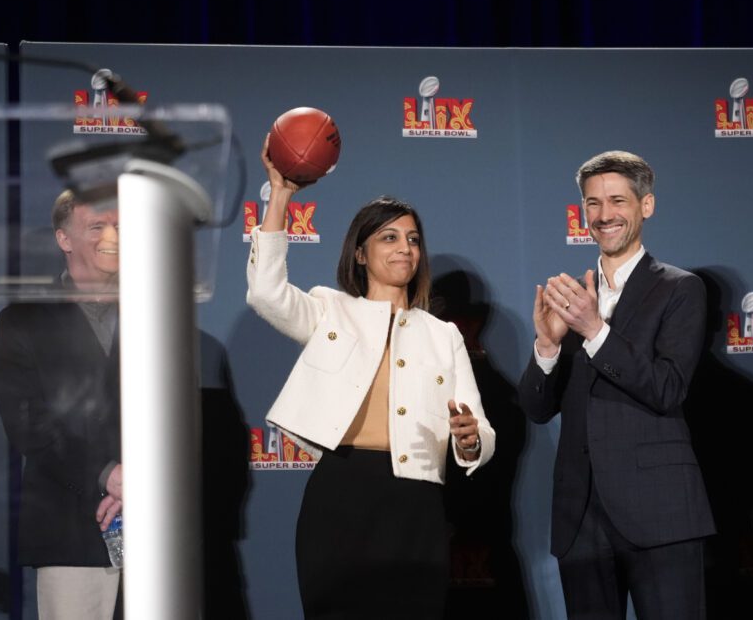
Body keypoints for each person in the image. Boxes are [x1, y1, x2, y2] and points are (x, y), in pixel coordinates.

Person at [246, 136, 495, 618]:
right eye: (389, 237)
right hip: (340, 496)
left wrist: (470, 442)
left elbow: (480, 430)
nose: (405, 248)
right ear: (359, 254)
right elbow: (266, 292)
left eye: (413, 239)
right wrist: (280, 195)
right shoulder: (330, 309)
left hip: (417, 503)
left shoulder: (443, 335)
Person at [517, 150, 714, 619]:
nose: (604, 215)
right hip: (580, 515)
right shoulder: (571, 297)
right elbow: (538, 409)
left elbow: (667, 388)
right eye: (592, 203)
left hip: (660, 512)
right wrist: (546, 345)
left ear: (646, 206)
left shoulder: (680, 289)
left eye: (617, 201)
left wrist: (595, 330)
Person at [0, 189, 123, 619]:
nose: (113, 237)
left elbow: (185, 414)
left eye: (120, 226)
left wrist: (147, 481)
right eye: (97, 226)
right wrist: (110, 476)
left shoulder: (159, 311)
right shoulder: (23, 320)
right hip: (73, 532)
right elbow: (30, 425)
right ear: (64, 239)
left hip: (162, 531)